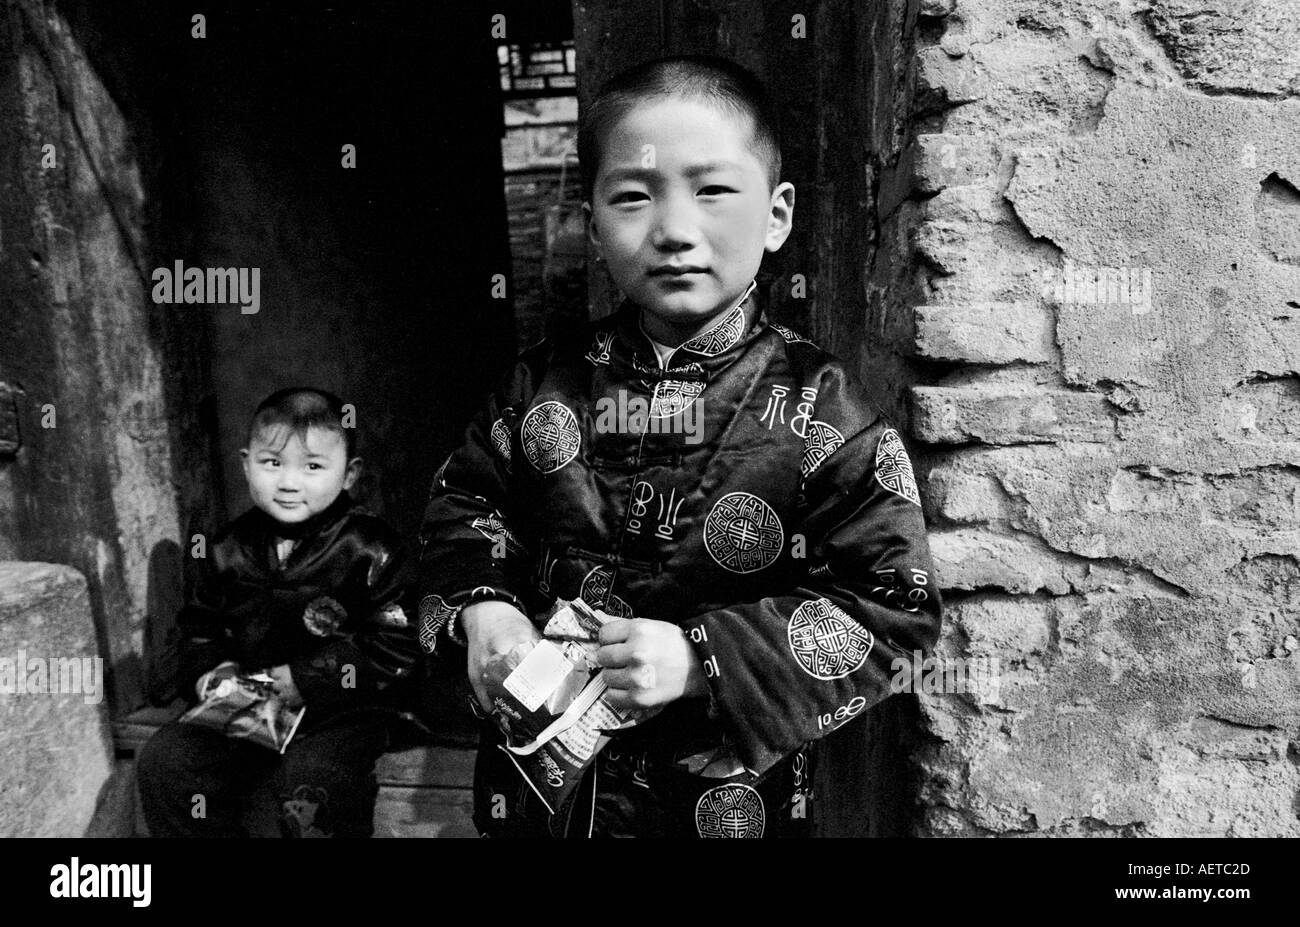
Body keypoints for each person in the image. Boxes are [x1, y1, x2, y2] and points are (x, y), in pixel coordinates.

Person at [417, 55, 943, 837]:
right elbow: (462, 508)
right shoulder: (539, 387)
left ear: (776, 214)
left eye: (713, 190)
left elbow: (895, 612)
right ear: (594, 225)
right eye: (633, 197)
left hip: (726, 808)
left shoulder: (822, 409)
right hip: (545, 799)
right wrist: (485, 611)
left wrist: (703, 660)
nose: (673, 230)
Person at [137, 387, 421, 837]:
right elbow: (198, 631)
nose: (289, 482)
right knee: (168, 761)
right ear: (247, 463)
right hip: (251, 706)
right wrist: (213, 676)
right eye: (273, 463)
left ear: (349, 475)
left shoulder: (372, 549)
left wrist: (304, 679)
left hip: (342, 713)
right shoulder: (224, 548)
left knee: (312, 784)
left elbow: (397, 647)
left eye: (312, 467)